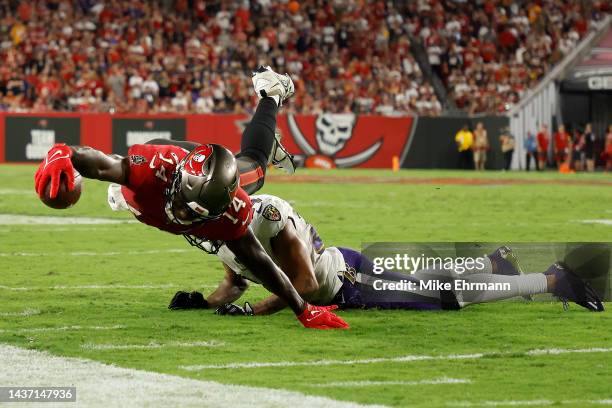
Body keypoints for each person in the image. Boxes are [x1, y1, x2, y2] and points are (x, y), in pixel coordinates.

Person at [33, 67, 348, 330]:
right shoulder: (149, 173)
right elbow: (101, 162)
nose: (184, 215)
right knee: (253, 165)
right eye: (184, 205)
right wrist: (63, 153)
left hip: (206, 180)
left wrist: (303, 310)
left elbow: (261, 264)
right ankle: (272, 94)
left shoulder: (232, 211)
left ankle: (270, 112)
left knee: (250, 173)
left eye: (197, 213)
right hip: (172, 165)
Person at [169, 195, 603, 314]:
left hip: (343, 283)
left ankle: (552, 279)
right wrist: (206, 303)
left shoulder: (265, 216)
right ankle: (493, 264)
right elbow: (235, 279)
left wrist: (255, 312)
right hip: (344, 270)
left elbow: (301, 285)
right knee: (426, 282)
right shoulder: (228, 229)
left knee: (449, 294)